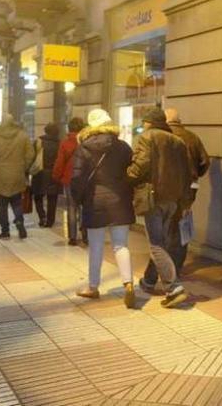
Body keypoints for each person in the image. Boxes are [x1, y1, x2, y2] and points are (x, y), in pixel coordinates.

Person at [127, 106, 193, 308]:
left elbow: (140, 167)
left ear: (148, 122)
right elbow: (186, 174)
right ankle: (148, 281)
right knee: (161, 243)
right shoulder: (178, 141)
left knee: (156, 244)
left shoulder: (148, 137)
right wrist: (183, 201)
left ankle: (173, 288)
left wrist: (127, 175)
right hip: (172, 200)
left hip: (153, 198)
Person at [70, 109, 136, 309]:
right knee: (120, 245)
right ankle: (129, 284)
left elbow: (77, 177)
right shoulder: (123, 147)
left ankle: (93, 286)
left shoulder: (83, 148)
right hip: (120, 201)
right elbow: (131, 173)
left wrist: (77, 198)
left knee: (96, 245)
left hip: (94, 201)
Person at [140, 108, 210, 291]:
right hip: (187, 192)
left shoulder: (161, 137)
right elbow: (204, 162)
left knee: (160, 239)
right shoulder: (191, 137)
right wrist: (194, 177)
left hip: (165, 191)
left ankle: (162, 278)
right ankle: (167, 273)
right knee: (179, 233)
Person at [0, 114, 33, 240]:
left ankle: (5, 230)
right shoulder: (23, 135)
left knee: (2, 204)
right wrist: (24, 167)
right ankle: (19, 222)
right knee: (17, 202)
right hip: (17, 172)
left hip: (1, 172)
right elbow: (30, 154)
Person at [53, 117, 87, 245]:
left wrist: (56, 176)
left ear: (69, 128)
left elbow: (60, 162)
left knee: (72, 207)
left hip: (69, 179)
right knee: (84, 207)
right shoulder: (86, 141)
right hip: (84, 179)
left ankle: (72, 237)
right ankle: (85, 235)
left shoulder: (65, 143)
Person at [31, 123, 61, 227]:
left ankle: (42, 216)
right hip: (54, 173)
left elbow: (31, 157)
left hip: (40, 172)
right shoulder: (60, 143)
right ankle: (50, 221)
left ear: (46, 131)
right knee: (52, 198)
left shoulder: (39, 141)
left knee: (38, 196)